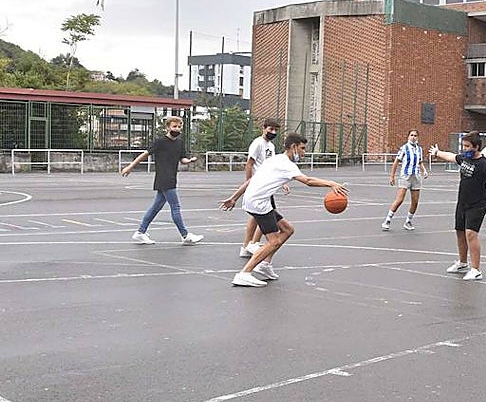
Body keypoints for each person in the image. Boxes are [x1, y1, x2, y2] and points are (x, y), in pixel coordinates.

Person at [219, 133, 347, 287]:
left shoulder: (275, 159)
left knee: (287, 230)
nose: (304, 152)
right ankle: (244, 273)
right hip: (259, 203)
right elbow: (308, 181)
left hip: (255, 200)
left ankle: (264, 266)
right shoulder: (286, 164)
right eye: (302, 148)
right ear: (293, 147)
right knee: (273, 242)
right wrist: (331, 183)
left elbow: (252, 180)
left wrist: (234, 197)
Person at [430, 132, 486, 282]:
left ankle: (476, 269)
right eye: (463, 146)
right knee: (459, 232)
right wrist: (437, 153)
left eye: (467, 146)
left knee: (471, 234)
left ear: (476, 147)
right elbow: (451, 156)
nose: (465, 149)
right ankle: (462, 263)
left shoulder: (483, 163)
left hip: (477, 204)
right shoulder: (465, 158)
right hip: (462, 202)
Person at [120, 115, 204, 246]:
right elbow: (145, 154)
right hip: (164, 178)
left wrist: (190, 161)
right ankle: (185, 235)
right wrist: (130, 167)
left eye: (179, 126)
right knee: (175, 207)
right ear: (168, 127)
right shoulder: (160, 142)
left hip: (171, 177)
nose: (177, 129)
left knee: (156, 207)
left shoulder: (180, 143)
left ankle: (140, 233)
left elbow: (182, 159)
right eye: (174, 126)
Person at [240, 118, 280, 257]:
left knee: (257, 215)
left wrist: (282, 182)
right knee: (265, 214)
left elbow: (272, 165)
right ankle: (252, 244)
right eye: (270, 129)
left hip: (267, 184)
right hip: (258, 184)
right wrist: (248, 182)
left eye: (275, 130)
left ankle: (247, 245)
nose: (273, 132)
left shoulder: (271, 146)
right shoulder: (258, 144)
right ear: (264, 128)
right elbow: (249, 164)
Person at [383, 129, 428, 232]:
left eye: (415, 135)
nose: (413, 137)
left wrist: (424, 171)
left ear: (418, 137)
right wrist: (392, 176)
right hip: (405, 176)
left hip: (416, 177)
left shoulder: (419, 149)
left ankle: (408, 221)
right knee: (399, 200)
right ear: (408, 137)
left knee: (415, 202)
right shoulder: (404, 148)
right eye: (411, 135)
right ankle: (387, 220)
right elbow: (396, 162)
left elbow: (420, 162)